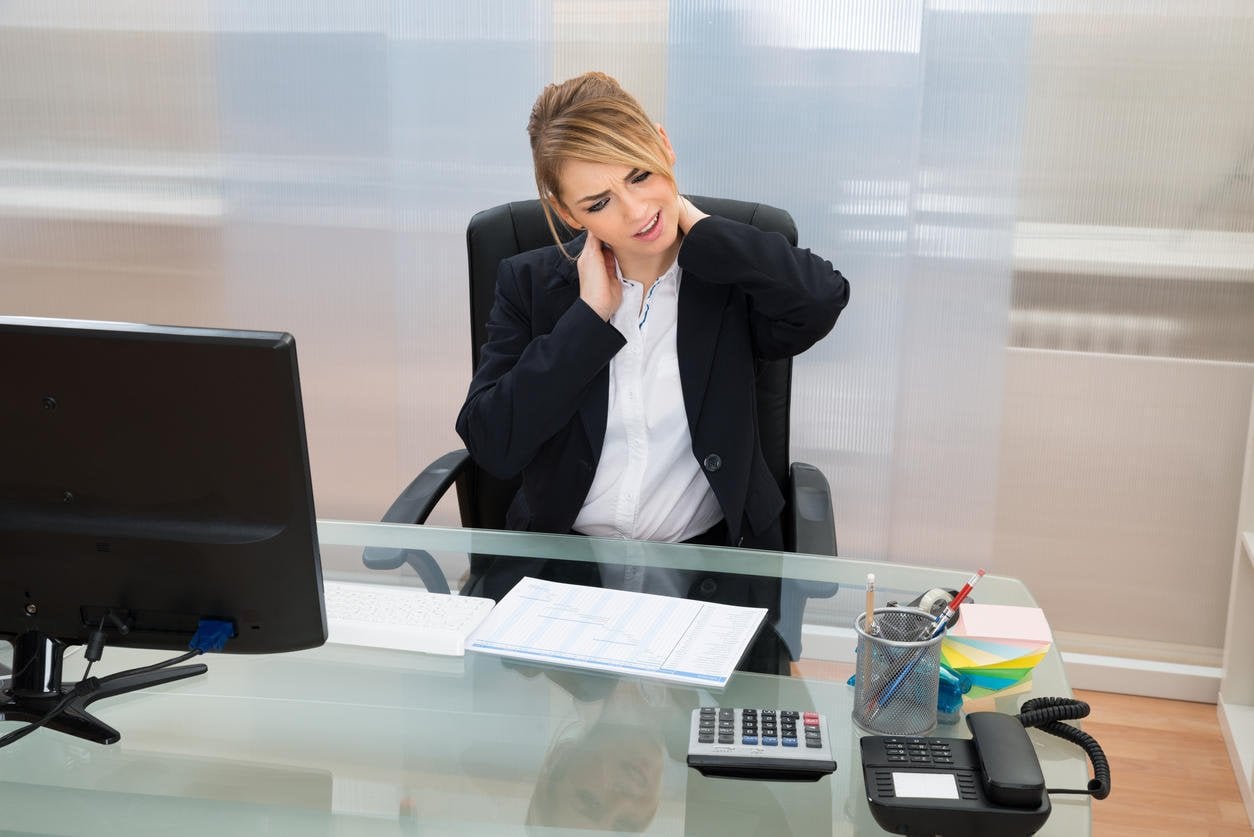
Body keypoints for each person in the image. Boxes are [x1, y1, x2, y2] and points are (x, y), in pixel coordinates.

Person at [455, 71, 850, 674]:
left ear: (663, 145)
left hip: (708, 573)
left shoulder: (733, 276)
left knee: (704, 734)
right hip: (565, 575)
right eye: (598, 203)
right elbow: (492, 443)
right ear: (565, 212)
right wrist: (588, 320)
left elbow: (821, 299)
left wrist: (698, 226)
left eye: (640, 174)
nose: (637, 211)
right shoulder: (530, 284)